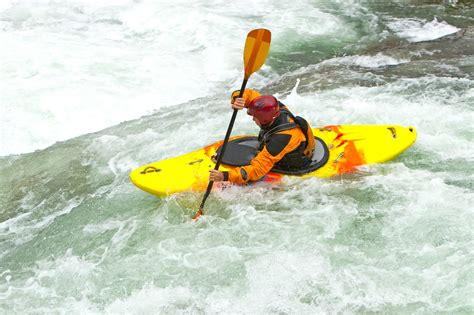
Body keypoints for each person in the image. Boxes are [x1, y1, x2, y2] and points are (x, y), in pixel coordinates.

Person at [209, 89, 315, 184]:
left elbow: (257, 170)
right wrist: (238, 99)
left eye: (255, 117)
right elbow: (251, 96)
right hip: (288, 145)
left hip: (291, 163)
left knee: (255, 170)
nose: (253, 119)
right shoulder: (275, 107)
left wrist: (225, 176)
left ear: (265, 119)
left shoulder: (280, 139)